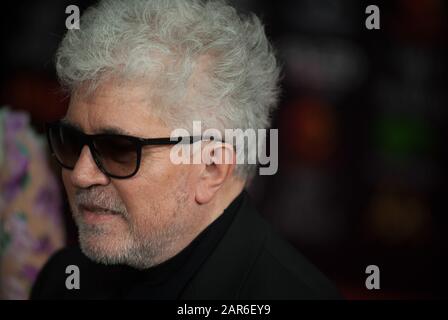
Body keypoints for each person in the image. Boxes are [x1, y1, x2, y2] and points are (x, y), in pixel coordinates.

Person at [31, 0, 341, 299]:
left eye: (118, 150)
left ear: (211, 169)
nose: (80, 175)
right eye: (70, 141)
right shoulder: (61, 280)